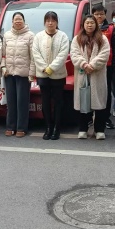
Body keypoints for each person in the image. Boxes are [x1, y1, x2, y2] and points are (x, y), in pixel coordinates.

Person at [70, 15, 111, 140]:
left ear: (96, 24)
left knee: (99, 103)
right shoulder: (77, 39)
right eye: (87, 23)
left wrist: (92, 65)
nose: (89, 25)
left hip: (97, 75)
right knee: (83, 101)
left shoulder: (102, 38)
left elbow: (105, 54)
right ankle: (83, 129)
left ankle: (99, 130)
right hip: (82, 74)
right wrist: (84, 64)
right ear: (83, 24)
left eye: (92, 23)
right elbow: (74, 54)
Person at [32, 11, 70, 141]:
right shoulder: (38, 36)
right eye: (48, 20)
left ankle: (57, 128)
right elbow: (35, 53)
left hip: (58, 74)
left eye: (53, 20)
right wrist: (44, 68)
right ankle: (48, 127)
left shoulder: (63, 36)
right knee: (45, 101)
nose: (50, 23)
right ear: (44, 22)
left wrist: (51, 68)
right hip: (42, 74)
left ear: (57, 22)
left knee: (58, 102)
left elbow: (63, 54)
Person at [1, 12, 35, 137]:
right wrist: (3, 67)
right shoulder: (7, 35)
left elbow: (33, 57)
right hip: (9, 73)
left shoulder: (30, 36)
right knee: (10, 102)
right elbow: (3, 54)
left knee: (22, 101)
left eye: (20, 19)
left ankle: (21, 128)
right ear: (12, 21)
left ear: (24, 21)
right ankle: (10, 126)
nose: (18, 21)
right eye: (16, 19)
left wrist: (32, 73)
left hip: (24, 74)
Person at [92, 4, 115, 130]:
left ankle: (106, 117)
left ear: (105, 15)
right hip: (91, 65)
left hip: (108, 64)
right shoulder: (88, 27)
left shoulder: (110, 29)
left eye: (101, 14)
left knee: (106, 91)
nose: (99, 16)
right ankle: (91, 117)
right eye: (96, 14)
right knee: (92, 90)